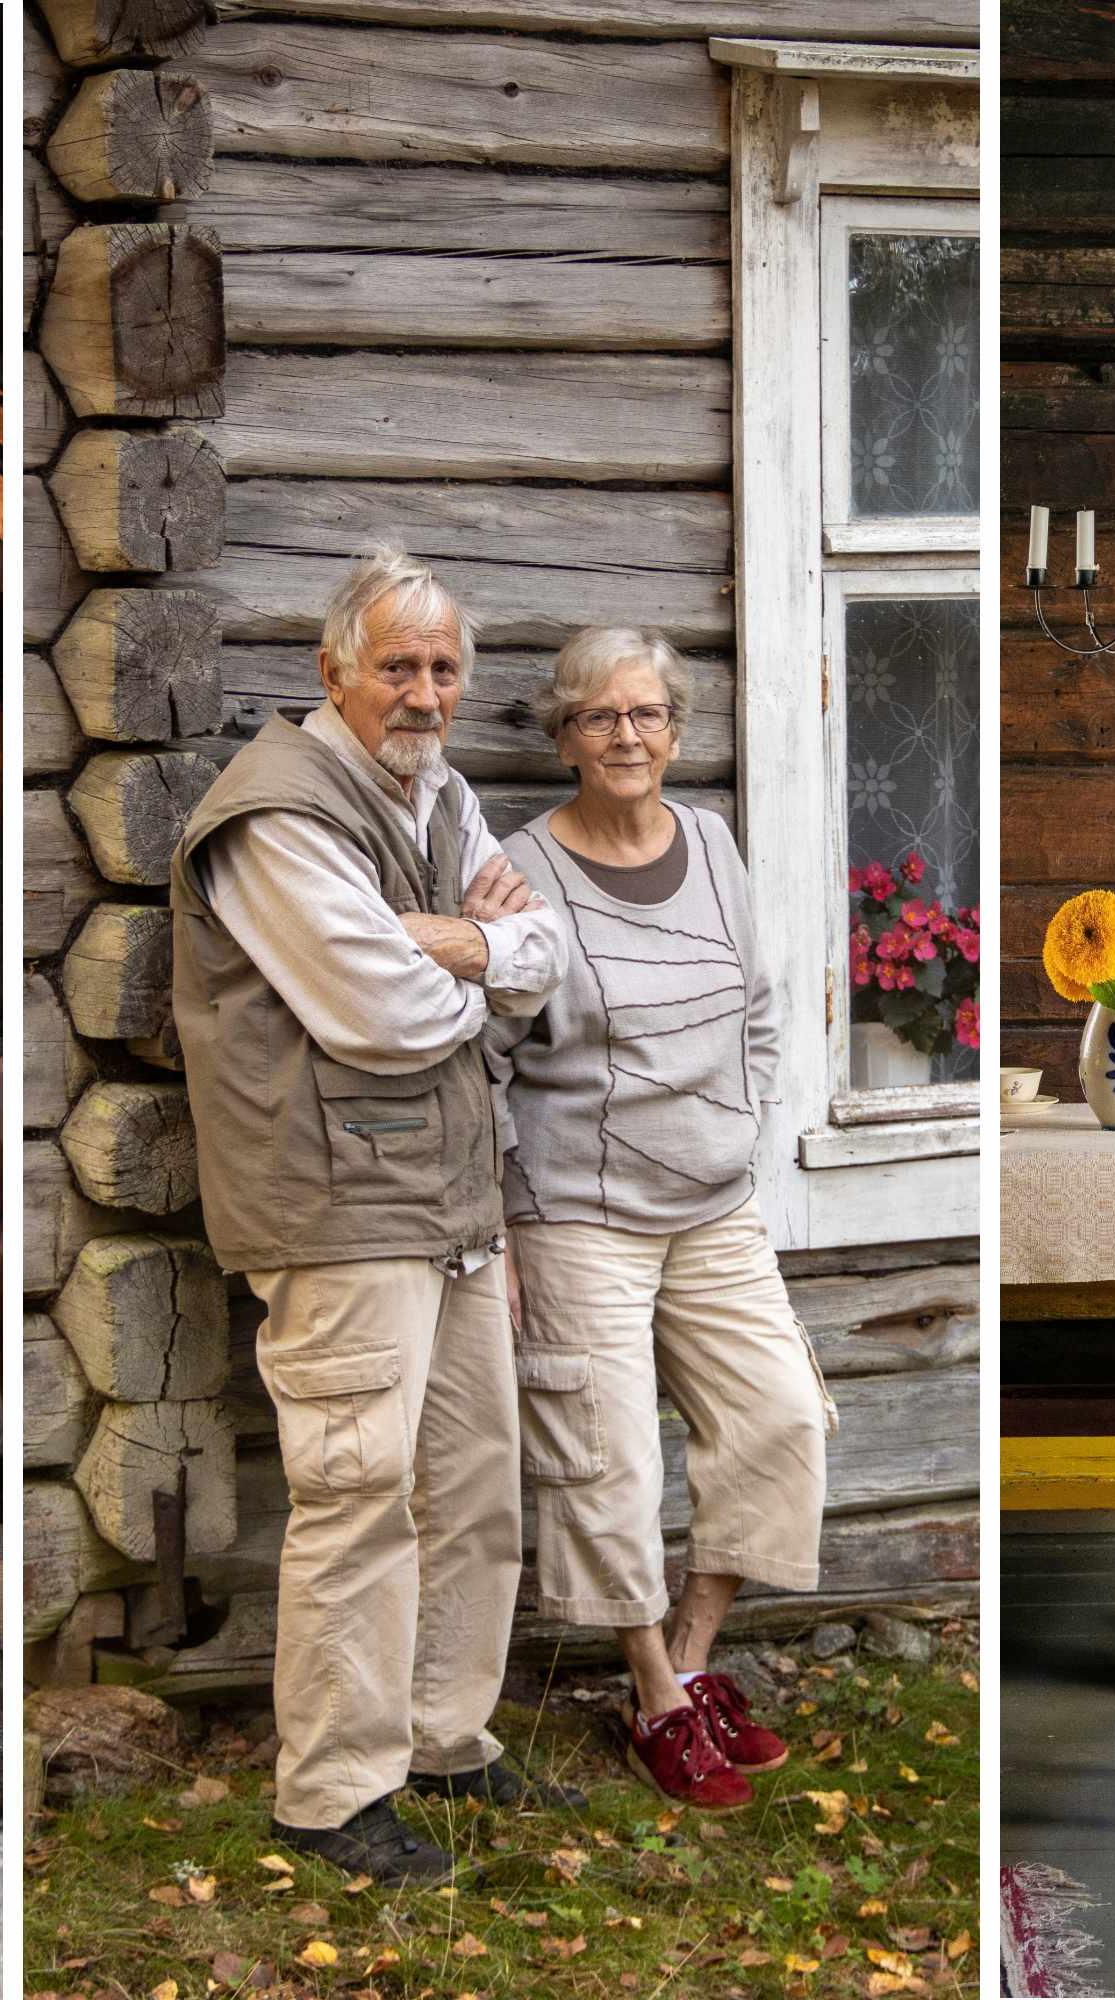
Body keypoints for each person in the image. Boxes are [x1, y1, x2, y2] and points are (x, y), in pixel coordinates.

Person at [169, 545, 581, 1883]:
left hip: (450, 1195)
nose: (423, 692)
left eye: (444, 668)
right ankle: (334, 1794)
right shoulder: (276, 815)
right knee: (357, 1496)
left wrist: (466, 942)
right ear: (331, 670)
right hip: (337, 1207)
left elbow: (539, 957)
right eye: (396, 665)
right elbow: (380, 1011)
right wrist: (468, 950)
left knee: (472, 1486)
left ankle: (442, 1733)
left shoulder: (437, 790)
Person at [487, 625, 834, 1813]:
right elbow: (485, 1057)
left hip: (715, 1206)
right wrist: (512, 1218)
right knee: (609, 1464)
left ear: (677, 730)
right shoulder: (524, 871)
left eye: (646, 714)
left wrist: (744, 1127)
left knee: (780, 1415)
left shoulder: (715, 841)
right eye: (598, 717)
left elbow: (758, 1007)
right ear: (564, 734)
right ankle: (653, 1702)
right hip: (581, 1214)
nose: (626, 736)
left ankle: (688, 1652)